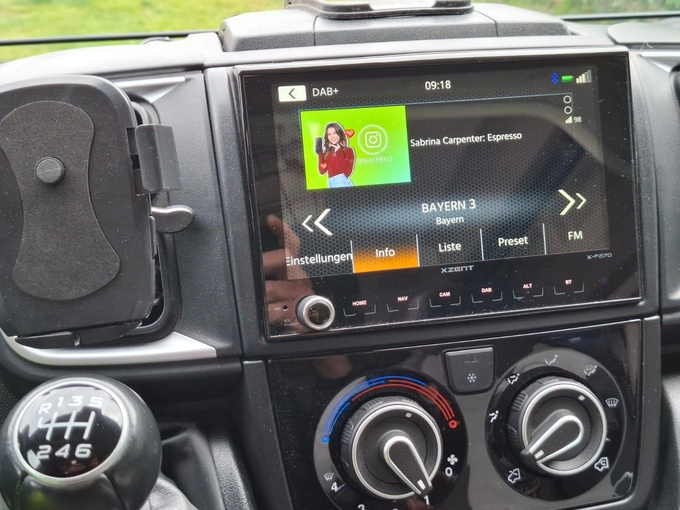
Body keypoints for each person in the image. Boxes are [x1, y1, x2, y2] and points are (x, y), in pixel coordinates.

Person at [315, 122, 355, 188]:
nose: (332, 136)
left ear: (340, 134)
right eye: (329, 134)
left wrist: (339, 151)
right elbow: (322, 171)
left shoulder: (348, 150)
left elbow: (347, 173)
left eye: (335, 133)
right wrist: (320, 153)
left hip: (342, 183)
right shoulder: (328, 152)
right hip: (330, 183)